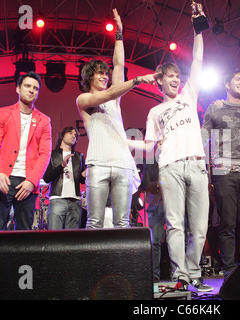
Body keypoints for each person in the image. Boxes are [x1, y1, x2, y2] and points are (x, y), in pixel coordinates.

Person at [128, 17, 212, 292]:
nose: (176, 79)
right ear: (159, 82)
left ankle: (195, 272)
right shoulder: (154, 112)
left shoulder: (189, 95)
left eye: (178, 75)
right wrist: (126, 142)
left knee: (199, 226)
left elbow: (198, 62)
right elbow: (150, 145)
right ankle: (182, 276)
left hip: (197, 166)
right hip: (170, 168)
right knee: (174, 224)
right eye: (170, 76)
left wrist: (198, 31)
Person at [76, 9, 157, 229]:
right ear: (88, 77)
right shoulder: (84, 99)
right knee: (94, 222)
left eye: (106, 73)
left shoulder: (114, 99)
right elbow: (111, 92)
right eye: (99, 73)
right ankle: (94, 265)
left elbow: (119, 66)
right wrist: (139, 80)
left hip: (121, 165)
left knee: (123, 222)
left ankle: (121, 264)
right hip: (99, 164)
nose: (105, 76)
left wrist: (119, 35)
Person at [201, 69, 240, 278]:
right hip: (223, 171)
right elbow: (203, 137)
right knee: (227, 223)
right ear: (227, 84)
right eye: (238, 79)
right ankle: (229, 270)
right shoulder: (215, 108)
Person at [0, 71, 52, 231]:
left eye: (35, 88)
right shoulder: (4, 113)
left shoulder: (44, 120)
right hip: (3, 180)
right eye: (27, 86)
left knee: (23, 233)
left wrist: (32, 181)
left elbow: (45, 153)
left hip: (27, 183)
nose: (31, 90)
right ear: (18, 88)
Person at [43, 126, 86, 229]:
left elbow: (81, 180)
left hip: (75, 201)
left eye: (75, 135)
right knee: (55, 237)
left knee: (72, 240)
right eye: (70, 133)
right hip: (58, 199)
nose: (73, 136)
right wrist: (62, 165)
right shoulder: (52, 154)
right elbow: (46, 178)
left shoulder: (79, 156)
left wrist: (84, 175)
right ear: (62, 135)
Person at [139, 159, 166, 282]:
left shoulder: (175, 157)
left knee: (179, 239)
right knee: (154, 241)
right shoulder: (150, 162)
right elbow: (144, 184)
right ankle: (155, 274)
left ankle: (180, 273)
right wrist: (160, 183)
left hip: (175, 202)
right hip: (156, 204)